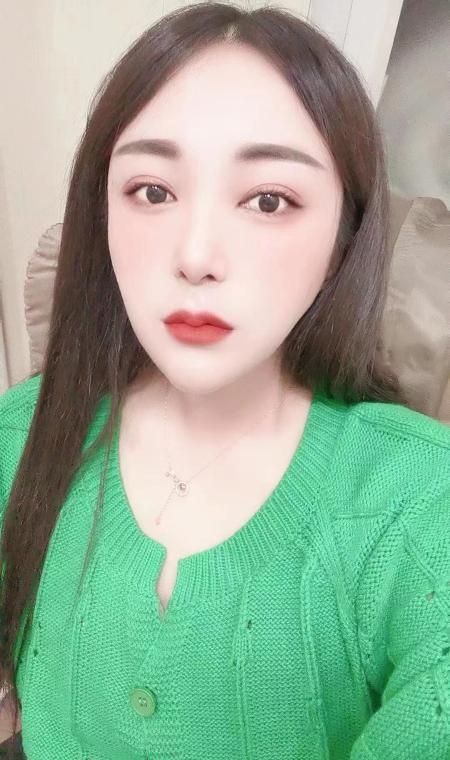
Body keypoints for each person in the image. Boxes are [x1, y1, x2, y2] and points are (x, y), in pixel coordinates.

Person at [0, 3, 449, 759]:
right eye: (152, 191)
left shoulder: (422, 498)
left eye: (269, 200)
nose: (197, 255)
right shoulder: (21, 433)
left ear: (342, 239)